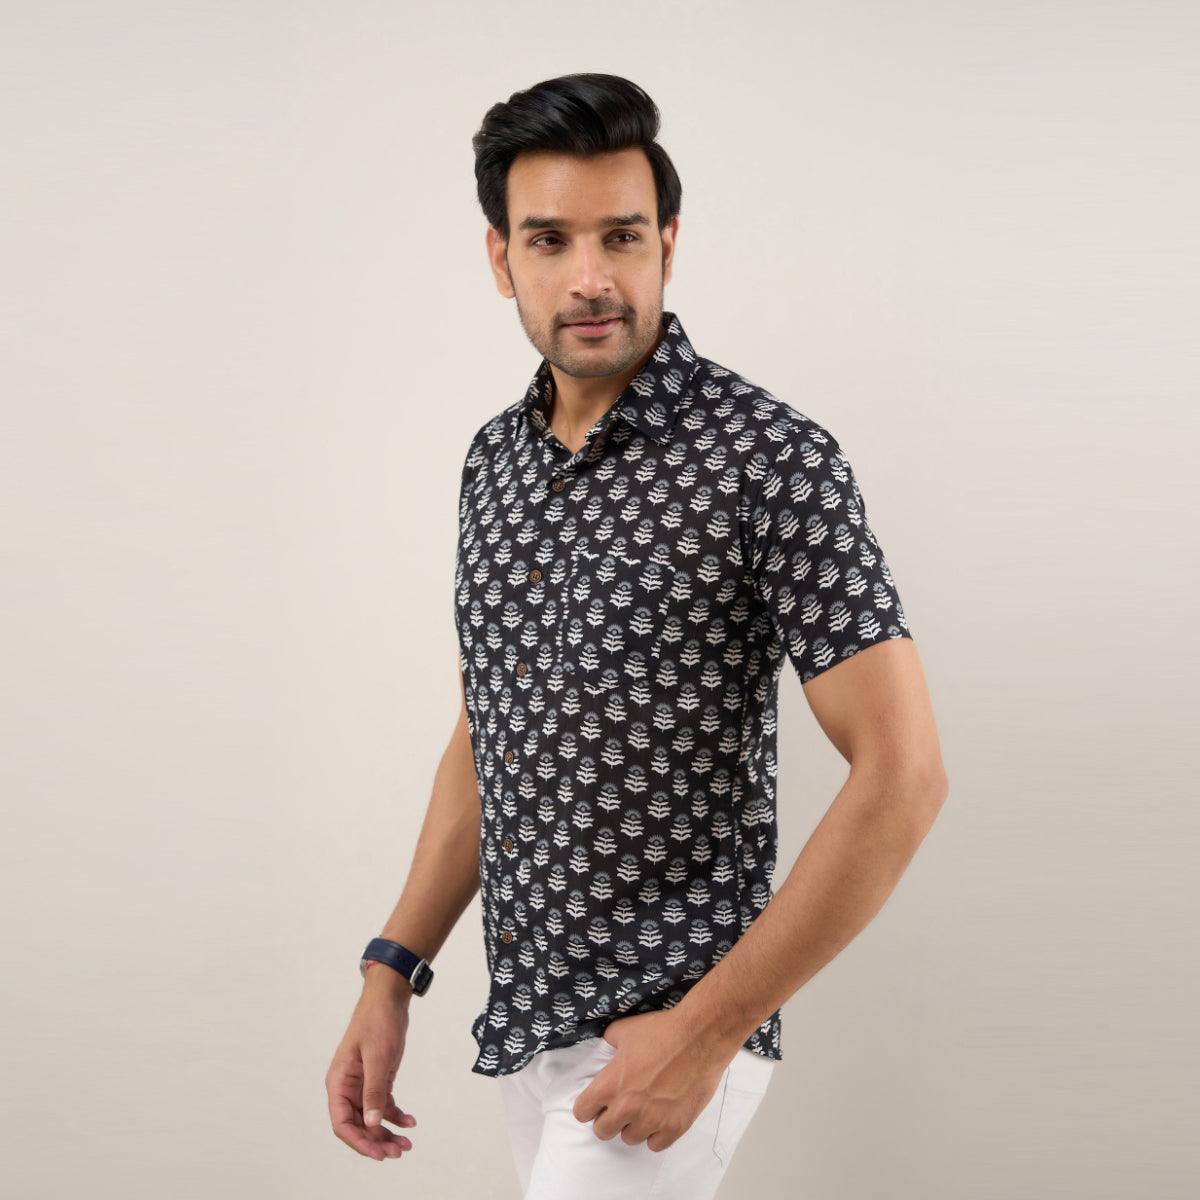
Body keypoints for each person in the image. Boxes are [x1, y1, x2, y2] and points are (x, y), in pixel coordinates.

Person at [326, 72, 948, 1198]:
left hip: (665, 1031)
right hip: (528, 1031)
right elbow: (493, 733)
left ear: (668, 242)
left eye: (621, 236)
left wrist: (706, 1033)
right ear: (501, 258)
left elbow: (903, 774)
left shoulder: (768, 458)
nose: (591, 277)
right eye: (549, 240)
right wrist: (391, 968)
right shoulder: (494, 462)